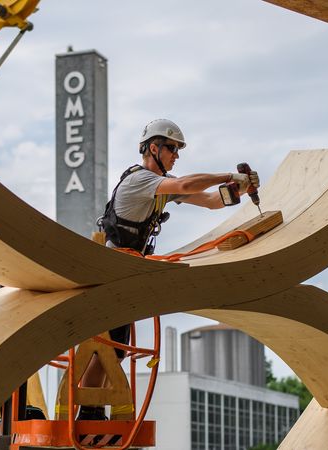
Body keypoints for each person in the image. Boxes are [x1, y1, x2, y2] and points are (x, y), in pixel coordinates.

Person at [77, 119, 259, 420]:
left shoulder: (160, 188)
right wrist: (229, 174)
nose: (176, 155)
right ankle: (89, 410)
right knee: (105, 346)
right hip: (109, 270)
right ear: (153, 148)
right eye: (172, 148)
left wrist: (236, 189)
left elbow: (211, 201)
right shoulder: (140, 181)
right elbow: (187, 184)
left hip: (125, 270)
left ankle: (92, 409)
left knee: (116, 348)